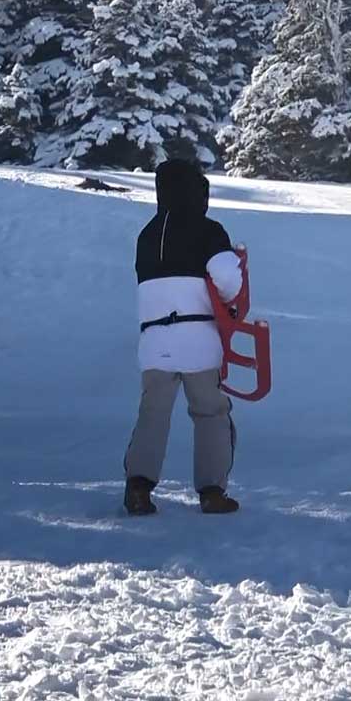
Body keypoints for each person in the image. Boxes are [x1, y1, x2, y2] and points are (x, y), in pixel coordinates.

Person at [123, 160, 243, 516]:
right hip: (198, 335)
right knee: (210, 412)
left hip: (154, 339)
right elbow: (228, 280)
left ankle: (139, 489)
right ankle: (211, 491)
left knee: (153, 414)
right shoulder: (208, 229)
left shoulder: (147, 234)